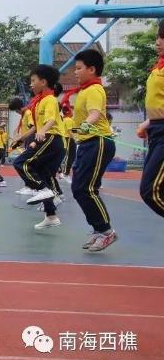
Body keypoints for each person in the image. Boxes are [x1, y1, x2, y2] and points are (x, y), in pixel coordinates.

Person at [61, 49, 119, 250]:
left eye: (78, 68)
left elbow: (95, 113)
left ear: (92, 69)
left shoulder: (95, 89)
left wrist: (86, 123)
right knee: (79, 188)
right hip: (86, 143)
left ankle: (106, 232)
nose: (75, 72)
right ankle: (98, 229)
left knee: (86, 188)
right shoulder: (84, 91)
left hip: (98, 141)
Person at [11, 65, 66, 229]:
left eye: (33, 81)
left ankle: (42, 189)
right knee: (43, 173)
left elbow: (51, 120)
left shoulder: (50, 100)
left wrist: (42, 131)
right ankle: (51, 215)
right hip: (48, 140)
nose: (30, 84)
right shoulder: (38, 102)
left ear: (43, 82)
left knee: (21, 163)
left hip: (52, 139)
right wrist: (21, 138)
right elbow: (35, 127)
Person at [139, 22, 164, 220]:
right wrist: (149, 122)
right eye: (158, 36)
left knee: (150, 191)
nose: (158, 42)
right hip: (156, 130)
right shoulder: (158, 67)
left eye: (163, 38)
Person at [59, 106, 76, 183]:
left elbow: (74, 130)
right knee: (70, 156)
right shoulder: (69, 120)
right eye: (71, 110)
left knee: (68, 156)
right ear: (68, 112)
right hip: (68, 138)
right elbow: (70, 131)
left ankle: (63, 172)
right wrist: (75, 140)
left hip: (65, 138)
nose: (73, 112)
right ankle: (65, 173)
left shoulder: (64, 119)